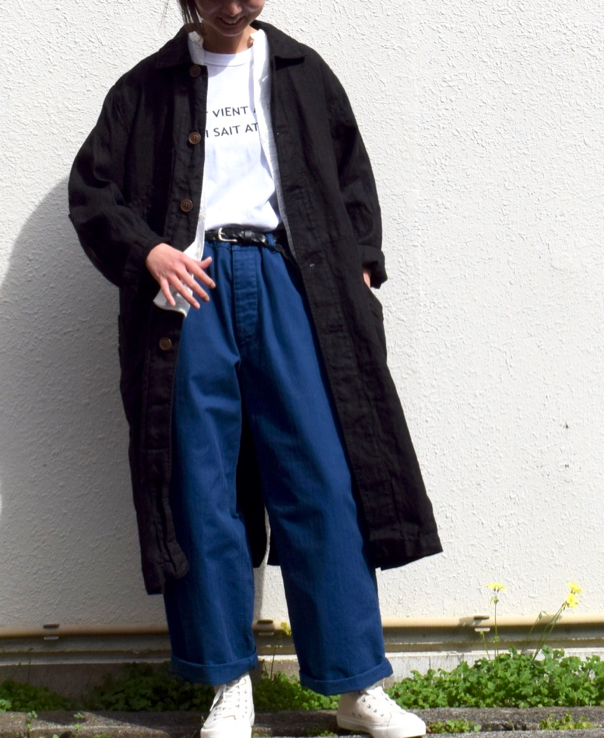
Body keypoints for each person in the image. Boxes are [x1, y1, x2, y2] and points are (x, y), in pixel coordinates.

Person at [68, 1, 442, 736]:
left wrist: (362, 264)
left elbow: (350, 176)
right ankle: (227, 680)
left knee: (322, 480)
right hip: (191, 293)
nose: (234, 5)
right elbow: (92, 192)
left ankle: (355, 685)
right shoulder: (146, 87)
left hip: (287, 281)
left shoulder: (302, 72)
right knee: (200, 486)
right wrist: (149, 251)